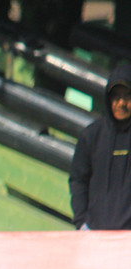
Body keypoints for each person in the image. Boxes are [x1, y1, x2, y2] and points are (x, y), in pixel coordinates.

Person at [69, 63, 131, 230]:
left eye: (127, 97)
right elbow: (78, 180)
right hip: (96, 236)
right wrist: (82, 222)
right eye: (116, 97)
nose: (121, 103)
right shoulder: (91, 136)